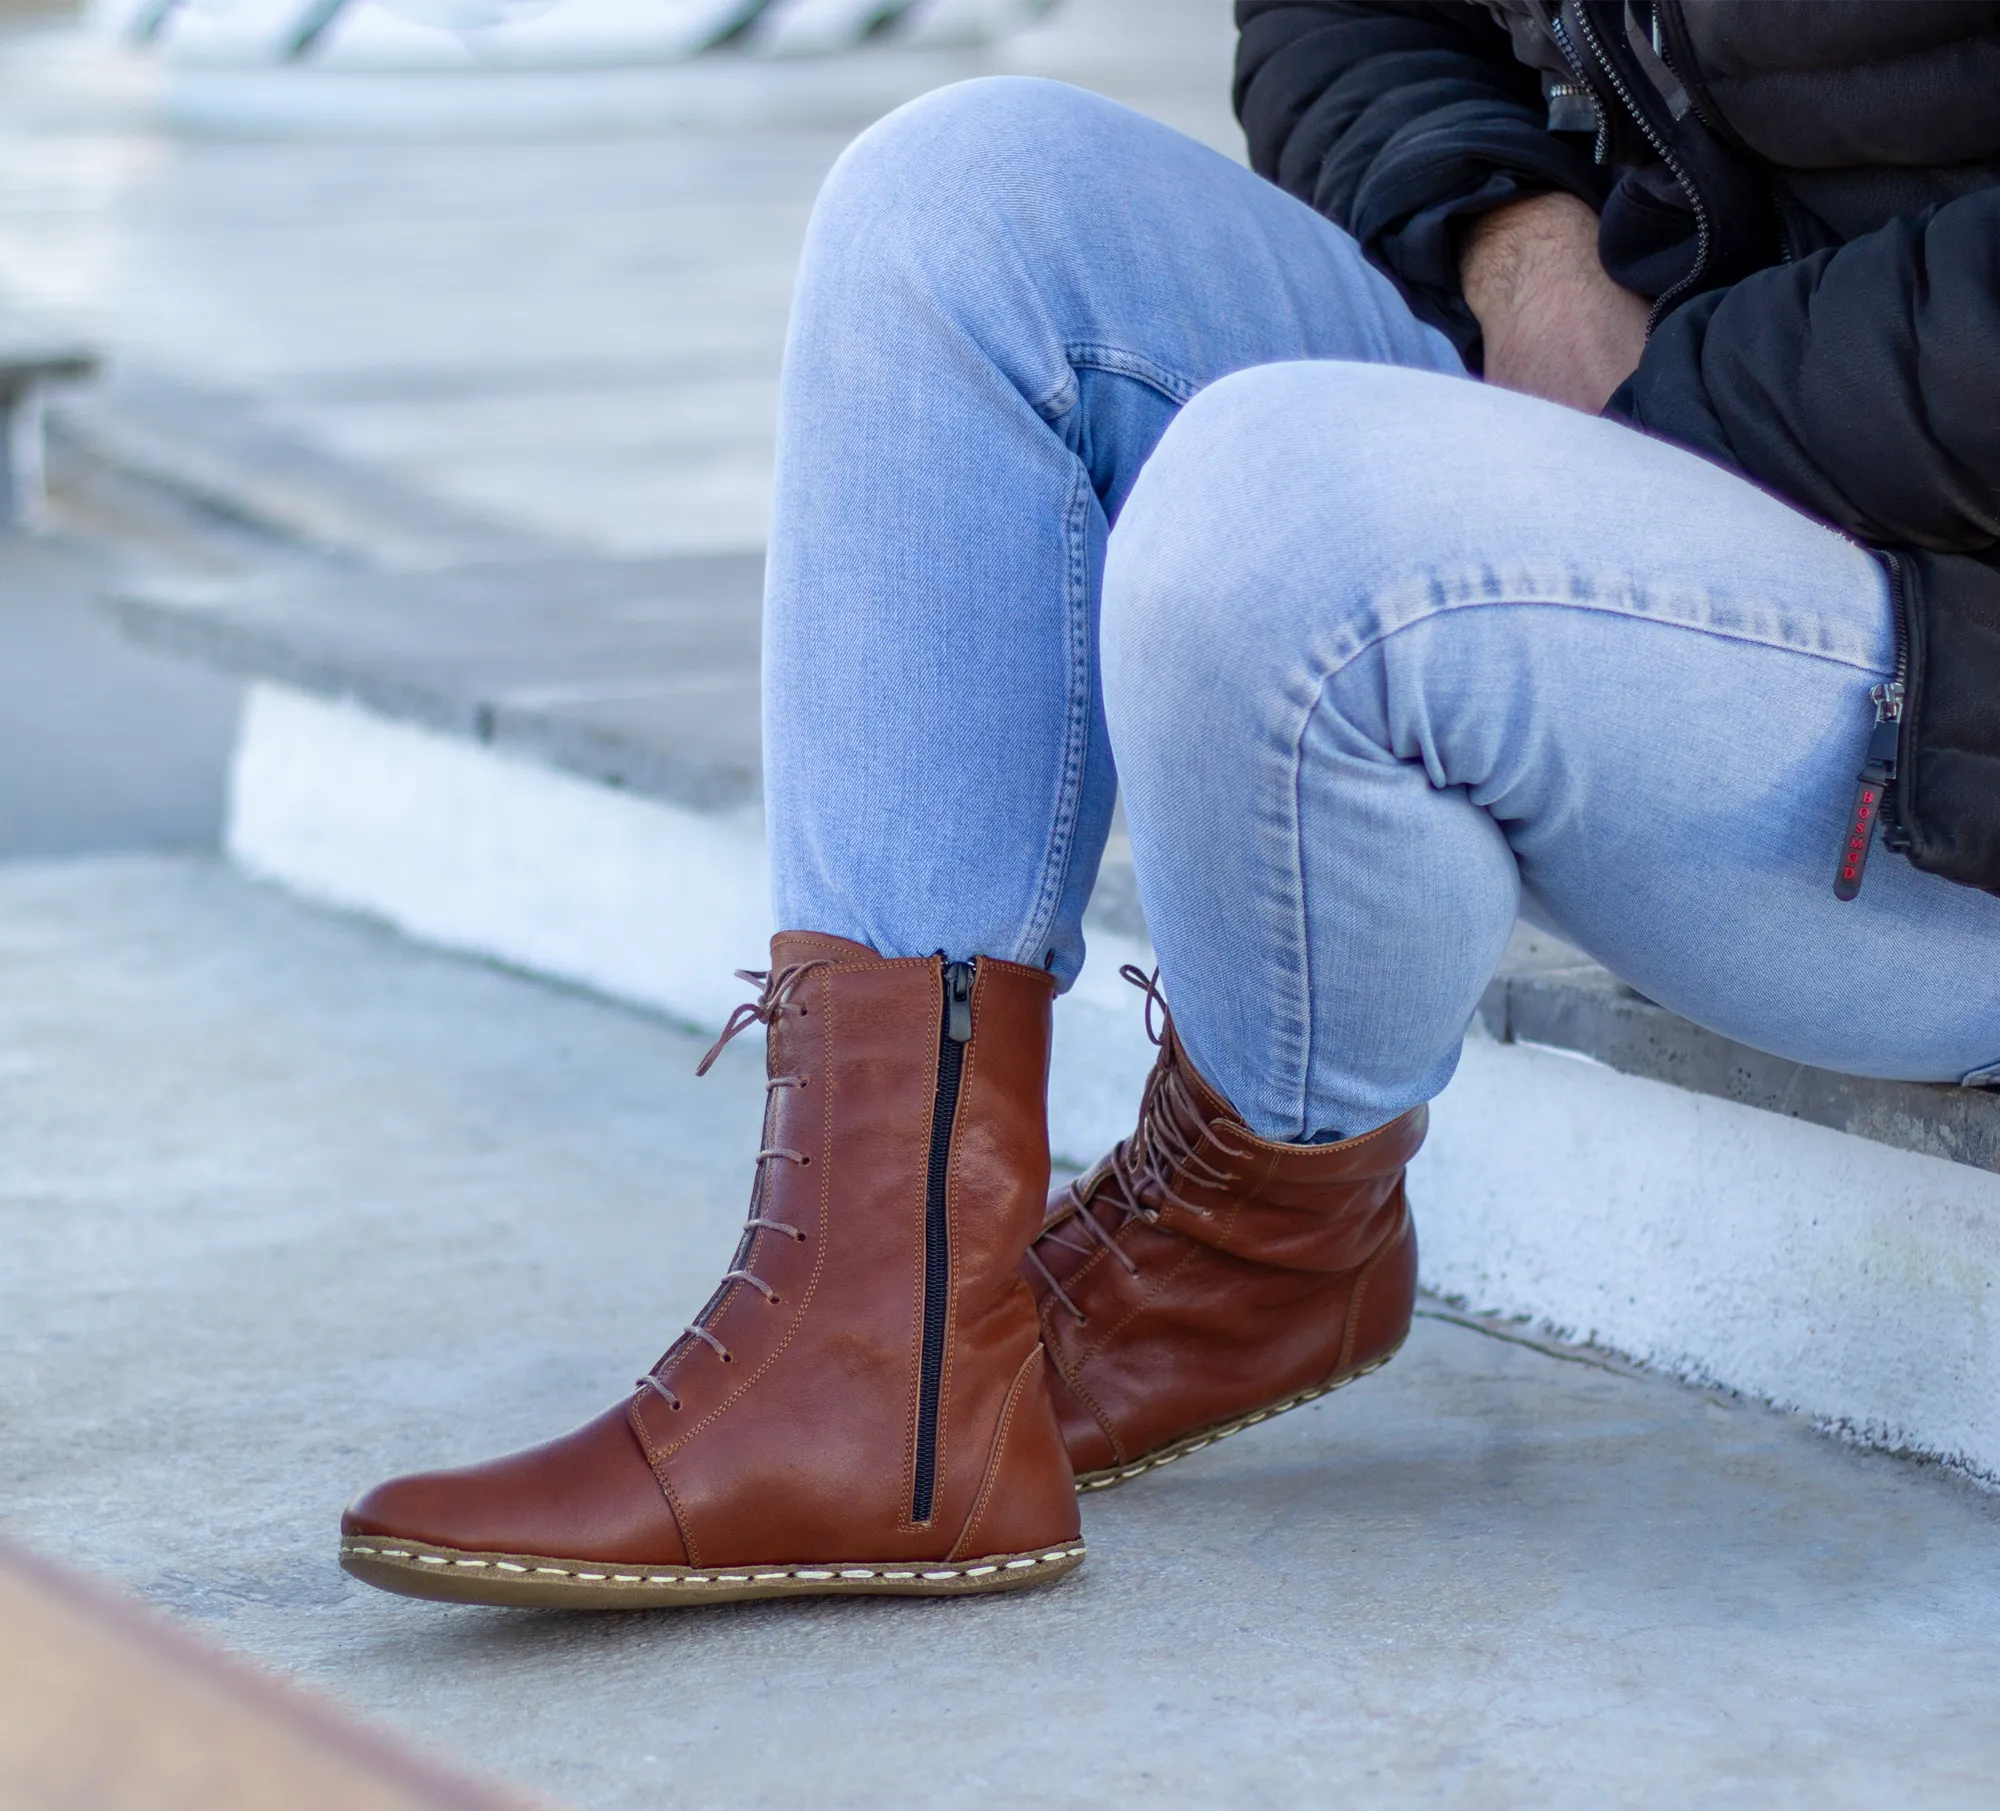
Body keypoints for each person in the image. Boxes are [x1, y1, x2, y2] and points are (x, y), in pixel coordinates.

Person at [338, 2, 2000, 1610]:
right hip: (1701, 504)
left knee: (1277, 498)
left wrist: (1641, 423)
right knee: (969, 194)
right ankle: (864, 1342)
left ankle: (1258, 1230)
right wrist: (1529, 256)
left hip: (1949, 746)